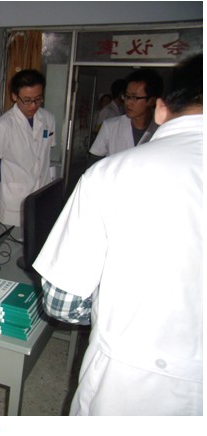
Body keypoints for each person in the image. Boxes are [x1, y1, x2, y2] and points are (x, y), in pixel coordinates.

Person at [33, 54, 203, 415]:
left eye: (136, 97)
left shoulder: (112, 176)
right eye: (126, 96)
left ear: (159, 107)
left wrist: (113, 301)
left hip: (128, 374)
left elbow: (62, 303)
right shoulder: (111, 132)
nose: (128, 102)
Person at [0, 69, 56, 229]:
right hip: (14, 200)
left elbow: (44, 155)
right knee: (10, 241)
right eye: (27, 100)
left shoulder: (48, 119)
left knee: (39, 237)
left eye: (38, 99)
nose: (34, 105)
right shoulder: (2, 126)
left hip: (41, 195)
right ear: (14, 96)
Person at [88, 69, 163, 165]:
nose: (128, 102)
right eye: (126, 96)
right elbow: (94, 164)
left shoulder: (162, 130)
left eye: (134, 97)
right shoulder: (110, 127)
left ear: (151, 101)